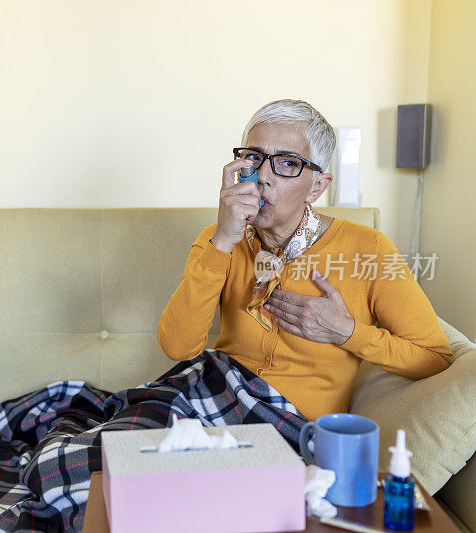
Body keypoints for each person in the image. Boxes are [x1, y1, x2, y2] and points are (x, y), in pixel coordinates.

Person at [157, 99, 452, 421]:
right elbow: (178, 347)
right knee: (109, 451)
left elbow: (434, 357)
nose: (263, 176)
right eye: (254, 158)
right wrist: (224, 241)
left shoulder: (369, 249)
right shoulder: (218, 239)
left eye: (287, 163)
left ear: (317, 186)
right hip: (210, 393)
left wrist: (346, 332)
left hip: (291, 424)